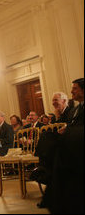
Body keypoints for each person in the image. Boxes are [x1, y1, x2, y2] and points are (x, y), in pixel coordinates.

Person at [35, 78, 84, 211]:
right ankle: (43, 167)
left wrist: (69, 130)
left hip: (79, 141)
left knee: (59, 144)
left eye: (75, 88)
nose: (71, 91)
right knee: (47, 136)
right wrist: (67, 128)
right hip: (73, 139)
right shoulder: (76, 109)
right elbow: (71, 124)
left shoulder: (72, 109)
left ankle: (45, 170)